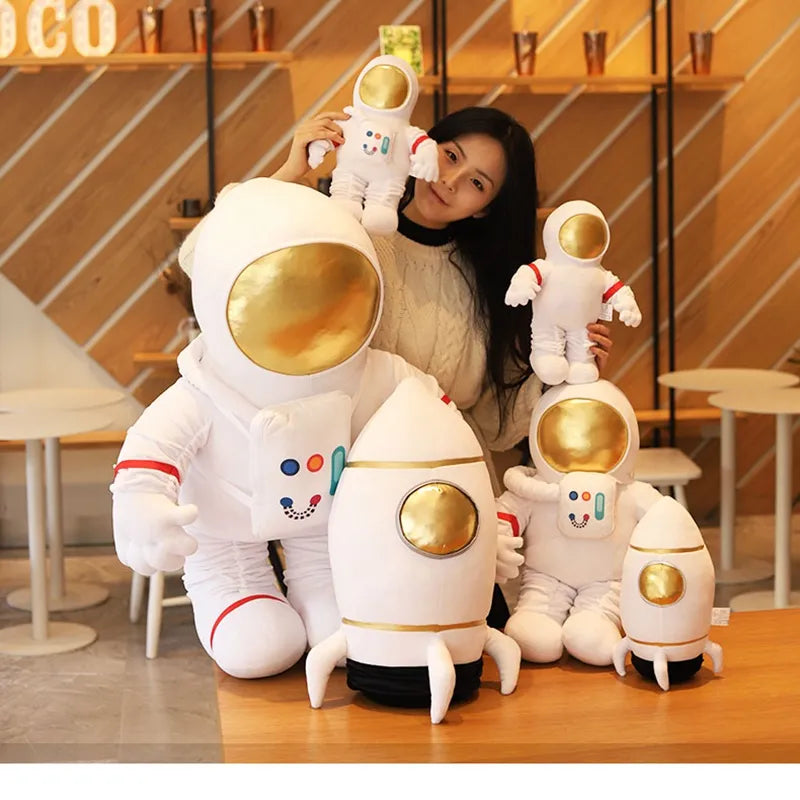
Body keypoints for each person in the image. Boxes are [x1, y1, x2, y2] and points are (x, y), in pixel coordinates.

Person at [272, 106, 614, 629]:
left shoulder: (497, 284)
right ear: (421, 144)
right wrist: (289, 173)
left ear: (486, 207)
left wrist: (572, 368)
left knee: (471, 652)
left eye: (476, 182)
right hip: (348, 493)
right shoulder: (346, 228)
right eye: (450, 156)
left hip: (454, 500)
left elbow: (499, 425)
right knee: (352, 647)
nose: (450, 181)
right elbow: (214, 258)